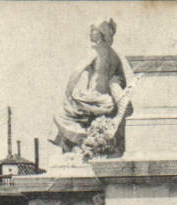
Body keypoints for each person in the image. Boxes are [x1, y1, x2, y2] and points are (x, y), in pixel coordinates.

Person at [52, 19, 137, 153]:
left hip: (92, 99)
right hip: (108, 101)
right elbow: (122, 82)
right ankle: (87, 141)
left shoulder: (95, 50)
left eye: (93, 31)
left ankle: (82, 139)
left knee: (60, 115)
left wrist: (68, 93)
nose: (90, 34)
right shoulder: (116, 56)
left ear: (100, 34)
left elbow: (77, 70)